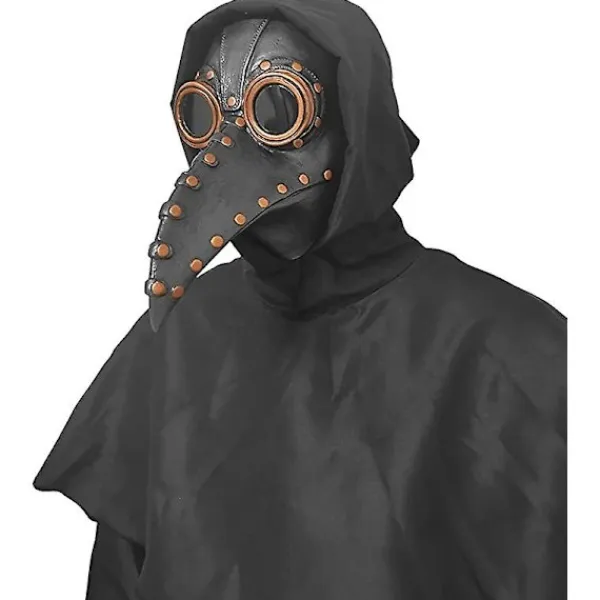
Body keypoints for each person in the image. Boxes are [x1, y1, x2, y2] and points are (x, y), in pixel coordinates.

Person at [35, 1, 567, 598]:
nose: (229, 153)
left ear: (355, 120)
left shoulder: (513, 350)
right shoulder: (180, 336)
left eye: (278, 108)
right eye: (203, 115)